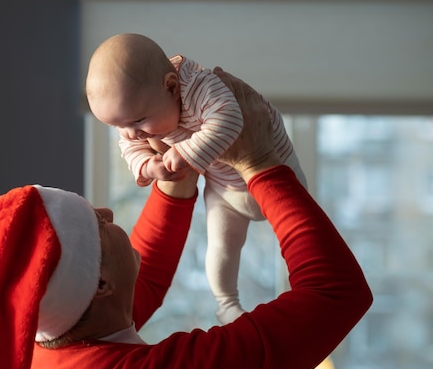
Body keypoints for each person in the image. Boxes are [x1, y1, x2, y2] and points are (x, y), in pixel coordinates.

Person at [0, 68, 372, 369]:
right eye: (95, 224)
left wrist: (176, 177)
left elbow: (141, 282)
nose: (108, 213)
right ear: (98, 284)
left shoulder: (40, 349)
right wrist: (261, 164)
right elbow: (336, 294)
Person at [85, 33, 308, 324]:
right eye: (116, 125)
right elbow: (130, 148)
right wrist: (149, 166)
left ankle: (300, 298)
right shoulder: (134, 113)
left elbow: (230, 120)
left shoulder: (199, 87)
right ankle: (227, 303)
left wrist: (186, 152)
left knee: (299, 238)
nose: (130, 134)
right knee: (222, 245)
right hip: (226, 190)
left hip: (276, 168)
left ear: (172, 87)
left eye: (138, 122)